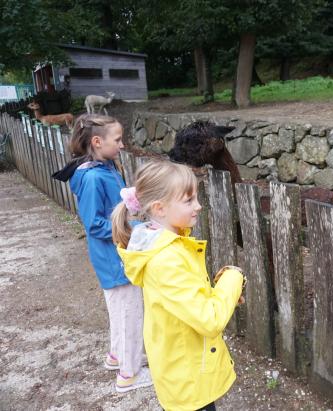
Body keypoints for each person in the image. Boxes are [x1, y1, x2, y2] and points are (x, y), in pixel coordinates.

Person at [111, 160, 246, 411]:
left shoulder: (164, 246)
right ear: (160, 208)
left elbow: (190, 300)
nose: (198, 206)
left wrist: (221, 292)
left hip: (181, 366)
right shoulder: (166, 259)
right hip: (187, 376)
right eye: (189, 200)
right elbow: (210, 319)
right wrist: (233, 277)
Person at [52, 114, 151, 393]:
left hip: (116, 255)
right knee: (131, 315)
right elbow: (94, 224)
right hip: (115, 260)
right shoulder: (93, 176)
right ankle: (128, 375)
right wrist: (134, 227)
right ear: (97, 141)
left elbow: (115, 207)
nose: (122, 145)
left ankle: (117, 356)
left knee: (120, 312)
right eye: (117, 140)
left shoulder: (105, 167)